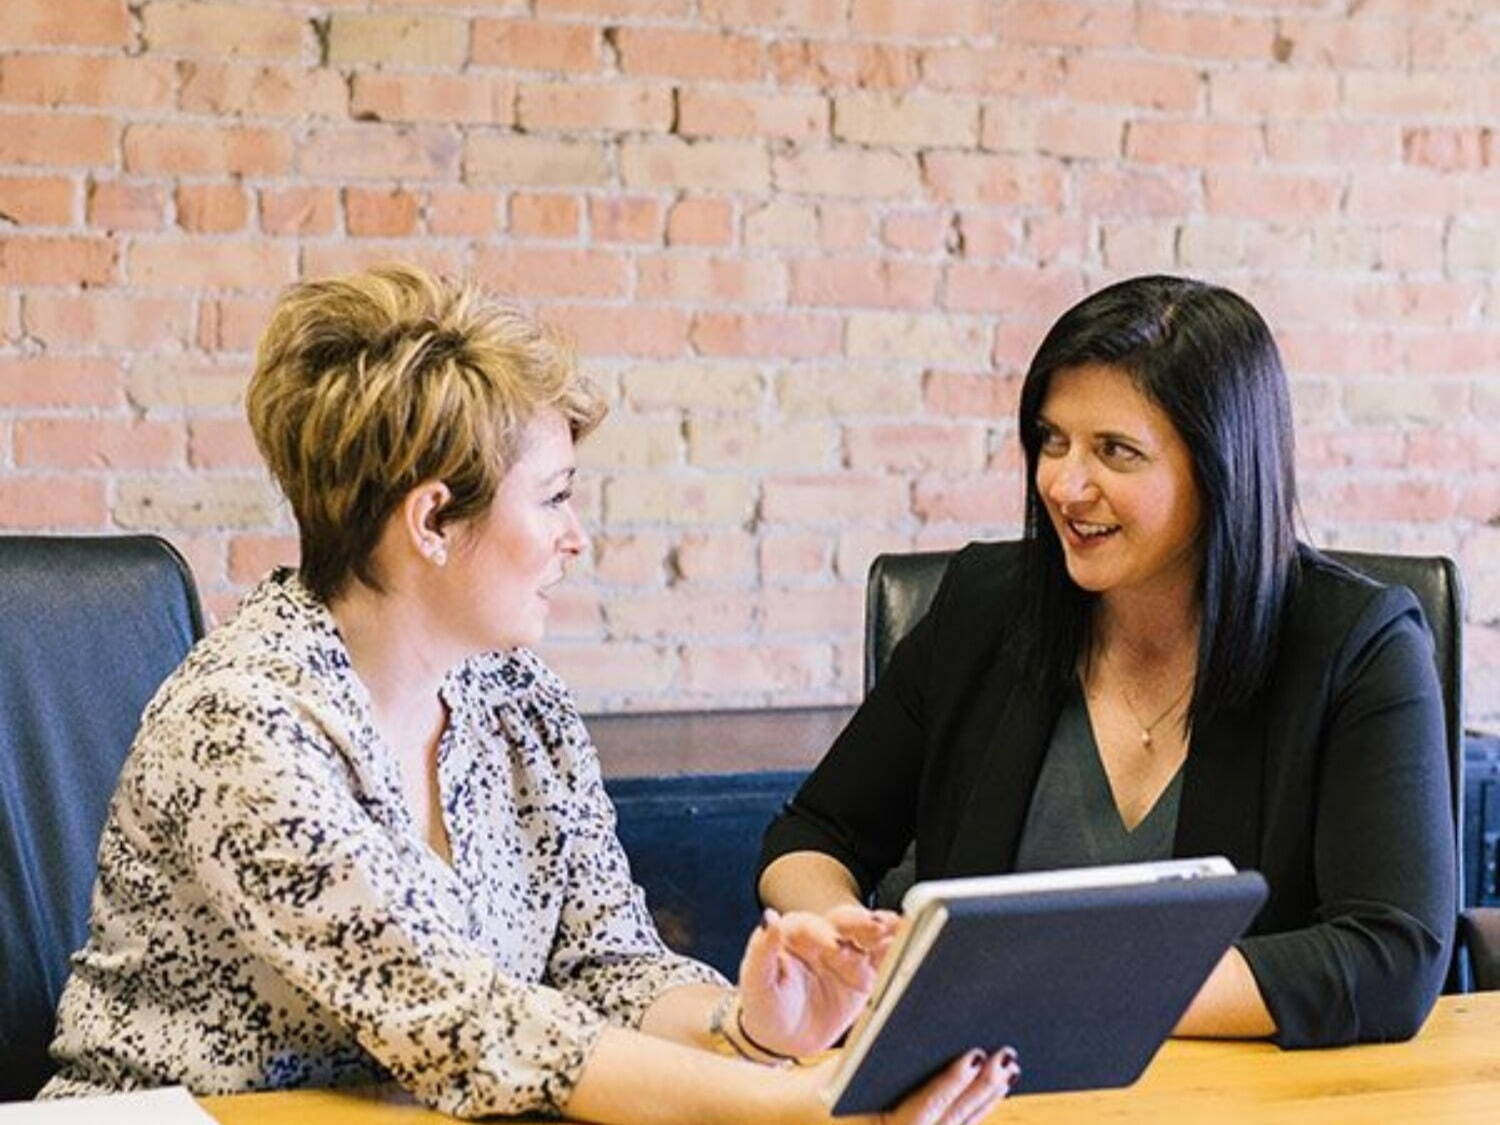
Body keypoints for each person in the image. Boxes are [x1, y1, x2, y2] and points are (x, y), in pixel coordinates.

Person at [40, 265, 1018, 1123]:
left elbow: (604, 968)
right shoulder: (245, 721)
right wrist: (788, 1104)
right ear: (432, 518)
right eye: (553, 496)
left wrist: (750, 1027)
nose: (576, 536)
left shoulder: (516, 700)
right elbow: (462, 1025)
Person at [758, 274, 1456, 1049]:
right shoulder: (985, 607)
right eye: (1052, 441)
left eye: (1115, 451)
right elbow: (813, 833)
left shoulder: (1358, 643)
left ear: (1220, 467)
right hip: (984, 1093)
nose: (1064, 483)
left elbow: (1391, 955)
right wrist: (839, 937)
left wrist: (1052, 991)